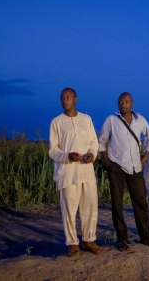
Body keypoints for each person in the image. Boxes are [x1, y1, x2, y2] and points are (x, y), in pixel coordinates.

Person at [98, 92, 149, 251]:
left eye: (126, 102)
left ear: (131, 104)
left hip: (135, 167)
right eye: (120, 101)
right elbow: (101, 142)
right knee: (117, 204)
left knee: (140, 203)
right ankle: (122, 240)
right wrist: (107, 162)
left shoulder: (140, 120)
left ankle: (146, 238)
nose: (123, 104)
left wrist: (145, 157)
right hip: (116, 167)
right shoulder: (111, 120)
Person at [48, 87, 103, 257]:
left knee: (90, 207)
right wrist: (67, 156)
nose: (65, 100)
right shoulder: (56, 122)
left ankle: (89, 240)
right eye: (62, 98)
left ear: (76, 99)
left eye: (68, 97)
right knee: (69, 210)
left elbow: (94, 142)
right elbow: (52, 150)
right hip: (68, 173)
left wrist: (92, 155)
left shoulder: (87, 119)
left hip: (86, 171)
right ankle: (72, 243)